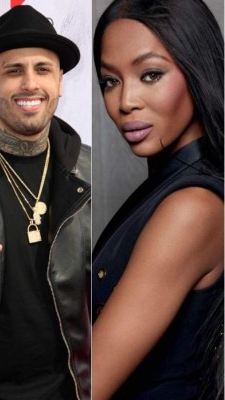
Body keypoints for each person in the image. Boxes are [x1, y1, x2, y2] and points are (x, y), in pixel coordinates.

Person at [92, 0, 224, 398]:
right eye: (110, 81)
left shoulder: (192, 207)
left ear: (196, 70)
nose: (125, 101)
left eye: (150, 74)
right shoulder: (165, 190)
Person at [0, 5, 91, 400]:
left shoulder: (89, 172)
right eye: (13, 70)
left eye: (43, 69)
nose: (29, 84)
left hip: (70, 390)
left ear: (61, 82)